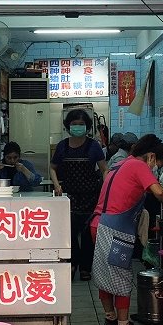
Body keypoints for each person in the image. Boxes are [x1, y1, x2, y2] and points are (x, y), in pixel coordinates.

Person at [89, 134, 163, 325]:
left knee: (105, 275)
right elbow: (158, 192)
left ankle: (111, 318)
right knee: (121, 277)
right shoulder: (139, 166)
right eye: (157, 165)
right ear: (151, 156)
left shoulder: (121, 164)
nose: (155, 169)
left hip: (98, 224)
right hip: (115, 230)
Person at [50, 109, 107, 281]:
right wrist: (57, 185)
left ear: (87, 126)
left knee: (89, 233)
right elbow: (52, 168)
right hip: (69, 196)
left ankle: (85, 268)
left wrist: (106, 190)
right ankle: (73, 263)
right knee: (70, 232)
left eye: (81, 124)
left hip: (91, 196)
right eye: (74, 124)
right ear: (68, 126)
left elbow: (104, 170)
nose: (77, 127)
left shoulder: (94, 146)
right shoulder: (62, 146)